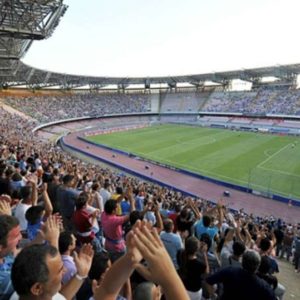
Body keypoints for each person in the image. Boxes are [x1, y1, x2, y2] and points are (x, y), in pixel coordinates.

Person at [10, 243, 94, 300]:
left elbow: (60, 297)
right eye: (60, 270)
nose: (65, 270)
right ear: (37, 288)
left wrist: (81, 274)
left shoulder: (21, 294)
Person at [206, 250, 276, 300]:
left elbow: (208, 281)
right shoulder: (264, 286)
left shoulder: (230, 271)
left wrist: (213, 295)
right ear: (258, 266)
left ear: (242, 262)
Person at [0, 215, 22, 300]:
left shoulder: (5, 254)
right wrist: (54, 240)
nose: (20, 237)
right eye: (16, 236)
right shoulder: (6, 280)